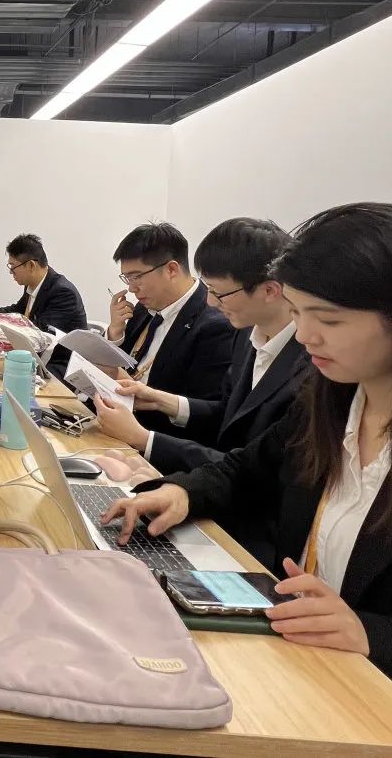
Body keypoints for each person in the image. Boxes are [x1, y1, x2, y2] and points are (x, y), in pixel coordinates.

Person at [102, 203, 392, 699]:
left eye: (329, 319)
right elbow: (247, 467)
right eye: (299, 312)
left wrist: (371, 633)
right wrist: (183, 493)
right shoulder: (331, 400)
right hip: (298, 665)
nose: (306, 335)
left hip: (377, 699)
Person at [95, 218, 309, 563]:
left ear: (270, 290)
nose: (209, 302)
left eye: (219, 292)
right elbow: (227, 412)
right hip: (213, 491)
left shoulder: (311, 368)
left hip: (253, 531)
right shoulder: (247, 334)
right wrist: (163, 401)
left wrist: (145, 439)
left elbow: (259, 470)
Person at [106, 222, 234, 437]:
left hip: (153, 436)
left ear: (171, 269)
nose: (131, 288)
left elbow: (204, 413)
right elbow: (121, 362)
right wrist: (115, 333)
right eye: (127, 278)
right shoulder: (144, 307)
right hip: (115, 418)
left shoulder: (215, 324)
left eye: (137, 277)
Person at [0, 233, 87, 375]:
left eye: (13, 266)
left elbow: (38, 332)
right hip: (37, 355)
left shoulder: (62, 292)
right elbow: (18, 310)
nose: (11, 272)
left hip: (61, 364)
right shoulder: (33, 284)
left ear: (31, 265)